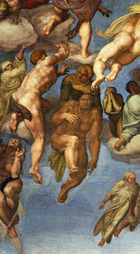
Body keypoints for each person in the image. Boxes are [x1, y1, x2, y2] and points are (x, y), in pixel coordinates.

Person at [9, 43, 68, 184]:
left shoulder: (34, 72)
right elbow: (64, 53)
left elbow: (44, 81)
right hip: (30, 101)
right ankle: (34, 168)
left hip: (17, 99)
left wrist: (58, 74)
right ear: (42, 57)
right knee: (40, 137)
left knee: (49, 106)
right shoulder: (46, 61)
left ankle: (17, 115)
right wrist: (62, 46)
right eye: (46, 55)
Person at [93, 6, 140, 88]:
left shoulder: (133, 16)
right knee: (118, 62)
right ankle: (115, 70)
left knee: (100, 59)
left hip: (125, 37)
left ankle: (99, 75)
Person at [50, 93, 101, 203]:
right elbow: (53, 120)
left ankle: (65, 188)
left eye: (88, 100)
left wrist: (94, 158)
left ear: (92, 102)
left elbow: (94, 138)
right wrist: (63, 115)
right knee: (73, 139)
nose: (85, 102)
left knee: (81, 174)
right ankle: (72, 167)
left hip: (79, 144)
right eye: (83, 99)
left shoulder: (94, 113)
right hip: (60, 138)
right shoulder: (71, 105)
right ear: (79, 100)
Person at [42, 0, 109, 58]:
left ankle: (50, 24)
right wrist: (76, 30)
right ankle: (84, 52)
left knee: (60, 14)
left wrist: (75, 30)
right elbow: (85, 19)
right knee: (85, 22)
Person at [94, 171, 139, 246]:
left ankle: (103, 239)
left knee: (115, 222)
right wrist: (103, 202)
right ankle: (107, 234)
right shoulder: (121, 183)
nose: (132, 180)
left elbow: (134, 200)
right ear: (126, 178)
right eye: (130, 178)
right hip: (115, 203)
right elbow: (110, 194)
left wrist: (132, 210)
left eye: (134, 179)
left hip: (125, 206)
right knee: (106, 220)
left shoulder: (136, 187)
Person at [114, 80, 140, 151]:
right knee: (131, 132)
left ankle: (118, 143)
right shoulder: (135, 99)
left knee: (129, 132)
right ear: (131, 89)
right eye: (133, 86)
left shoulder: (131, 99)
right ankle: (119, 144)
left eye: (136, 85)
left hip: (132, 122)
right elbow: (138, 110)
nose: (136, 87)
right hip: (137, 122)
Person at [0, 45, 27, 125]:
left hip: (14, 92)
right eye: (7, 65)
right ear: (5, 68)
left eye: (10, 64)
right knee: (2, 111)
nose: (10, 66)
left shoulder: (13, 71)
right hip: (5, 96)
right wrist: (20, 66)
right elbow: (21, 70)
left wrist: (22, 50)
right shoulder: (5, 74)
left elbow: (18, 61)